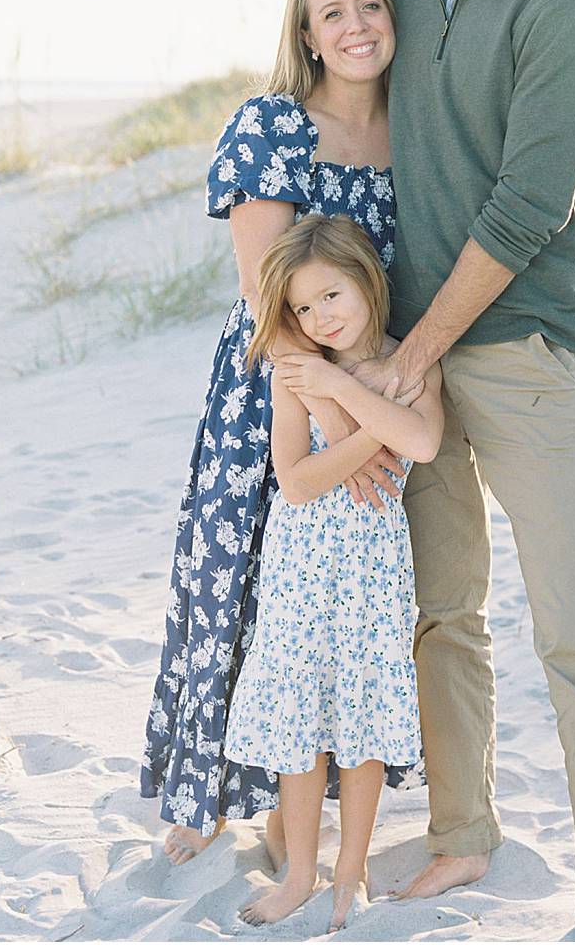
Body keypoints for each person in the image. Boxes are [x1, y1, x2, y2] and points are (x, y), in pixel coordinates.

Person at [345, 0, 575, 939]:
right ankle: (464, 835)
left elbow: (529, 203)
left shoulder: (561, 3)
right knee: (440, 612)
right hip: (414, 358)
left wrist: (411, 349)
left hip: (519, 348)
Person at [140, 0, 418, 864]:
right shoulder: (270, 127)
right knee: (238, 575)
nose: (354, 26)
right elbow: (272, 298)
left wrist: (372, 404)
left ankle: (297, 810)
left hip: (371, 384)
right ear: (305, 34)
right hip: (275, 379)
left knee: (333, 605)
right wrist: (341, 418)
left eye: (369, 5)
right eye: (330, 13)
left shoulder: (417, 132)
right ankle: (209, 792)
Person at [223, 215, 444, 928]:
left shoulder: (409, 363)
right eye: (303, 308)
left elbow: (425, 442)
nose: (320, 317)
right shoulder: (297, 373)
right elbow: (296, 480)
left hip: (373, 573)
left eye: (331, 297)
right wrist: (346, 408)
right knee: (298, 722)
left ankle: (350, 876)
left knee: (364, 723)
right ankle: (298, 876)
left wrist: (342, 392)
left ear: (367, 282)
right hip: (301, 569)